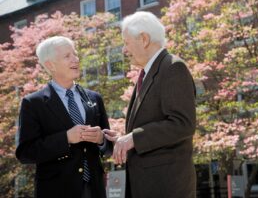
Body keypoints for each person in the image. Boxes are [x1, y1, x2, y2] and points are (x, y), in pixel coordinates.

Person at [104, 11, 197, 198]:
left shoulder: (172, 67)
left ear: (144, 39)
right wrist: (125, 138)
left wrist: (133, 139)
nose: (124, 50)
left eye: (126, 42)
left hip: (166, 188)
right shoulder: (148, 73)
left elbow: (182, 124)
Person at [15, 36, 112, 198]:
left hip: (95, 189)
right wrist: (65, 138)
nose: (76, 59)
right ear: (50, 65)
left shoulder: (94, 98)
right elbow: (25, 153)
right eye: (67, 56)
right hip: (56, 190)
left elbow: (110, 148)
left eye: (75, 54)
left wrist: (101, 139)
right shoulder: (33, 103)